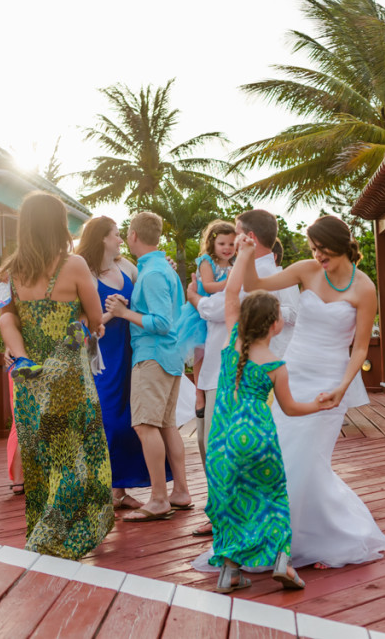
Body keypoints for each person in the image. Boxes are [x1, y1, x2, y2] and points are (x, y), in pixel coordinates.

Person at [242, 214, 385, 569]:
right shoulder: (306, 270)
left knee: (310, 461)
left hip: (330, 382)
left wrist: (344, 385)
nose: (317, 255)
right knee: (282, 456)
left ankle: (322, 540)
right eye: (313, 249)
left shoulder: (364, 288)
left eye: (321, 249)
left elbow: (360, 348)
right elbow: (253, 284)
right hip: (294, 375)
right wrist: (248, 253)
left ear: (340, 244)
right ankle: (279, 537)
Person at [199, 234, 334, 593]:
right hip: (260, 440)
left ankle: (229, 571)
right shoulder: (276, 364)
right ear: (275, 324)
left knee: (229, 501)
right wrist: (319, 404)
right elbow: (290, 408)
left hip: (223, 440)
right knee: (273, 498)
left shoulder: (231, 344)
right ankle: (281, 563)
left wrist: (243, 254)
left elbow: (230, 295)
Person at [0, 191, 113, 560]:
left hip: (29, 377)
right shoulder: (74, 265)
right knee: (76, 453)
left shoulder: (7, 271)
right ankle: (58, 536)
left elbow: (4, 316)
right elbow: (95, 321)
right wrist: (85, 324)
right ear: (60, 224)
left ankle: (46, 529)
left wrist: (18, 353)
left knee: (42, 456)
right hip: (67, 374)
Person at [189, 209, 300, 538]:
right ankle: (231, 510)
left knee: (217, 445)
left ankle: (225, 512)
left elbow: (219, 306)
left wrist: (194, 296)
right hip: (240, 369)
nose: (233, 241)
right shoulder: (272, 271)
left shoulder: (258, 271)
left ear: (249, 238)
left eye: (236, 233)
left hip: (236, 372)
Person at [76, 216, 172, 511]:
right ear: (101, 238)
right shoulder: (86, 272)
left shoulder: (127, 267)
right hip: (103, 355)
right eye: (116, 234)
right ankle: (101, 487)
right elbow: (82, 325)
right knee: (108, 421)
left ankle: (119, 491)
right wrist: (111, 315)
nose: (121, 239)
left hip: (132, 350)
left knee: (132, 420)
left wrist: (162, 264)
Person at [105, 211, 192, 521]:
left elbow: (162, 322)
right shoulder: (159, 269)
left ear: (133, 236)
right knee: (167, 424)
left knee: (145, 425)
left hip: (153, 355)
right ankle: (180, 491)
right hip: (170, 356)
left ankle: (158, 498)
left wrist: (123, 312)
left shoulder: (153, 273)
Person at [176, 220, 236, 424]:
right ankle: (199, 396)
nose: (227, 248)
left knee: (209, 354)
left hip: (216, 314)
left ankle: (204, 393)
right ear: (212, 243)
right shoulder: (206, 261)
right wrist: (230, 282)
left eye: (231, 244)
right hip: (199, 313)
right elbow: (209, 286)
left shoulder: (233, 265)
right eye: (222, 244)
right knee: (199, 355)